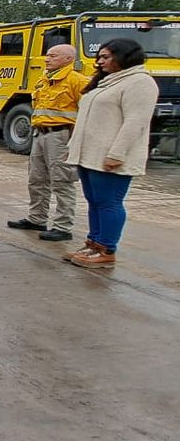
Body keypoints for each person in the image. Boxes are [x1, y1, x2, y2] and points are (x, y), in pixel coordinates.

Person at [63, 38, 159, 268]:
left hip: (110, 158)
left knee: (108, 202)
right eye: (100, 56)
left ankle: (107, 248)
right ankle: (93, 244)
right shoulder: (107, 82)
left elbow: (136, 122)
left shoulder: (139, 83)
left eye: (106, 57)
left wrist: (116, 154)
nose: (100, 61)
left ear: (124, 56)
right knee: (94, 201)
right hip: (90, 156)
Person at [6, 43, 88, 242]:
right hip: (40, 134)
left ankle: (62, 226)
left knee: (62, 180)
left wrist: (74, 142)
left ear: (68, 59)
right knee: (37, 179)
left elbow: (86, 115)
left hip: (61, 136)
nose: (47, 58)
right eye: (48, 55)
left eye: (53, 56)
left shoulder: (78, 81)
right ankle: (37, 218)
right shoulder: (44, 80)